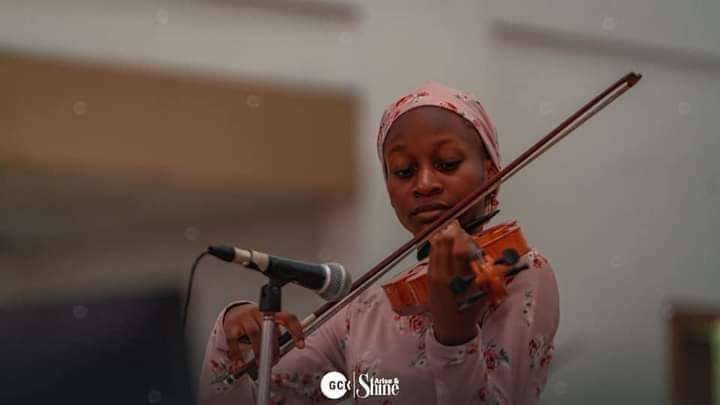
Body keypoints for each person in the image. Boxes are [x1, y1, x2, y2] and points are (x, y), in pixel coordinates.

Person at [199, 81, 560, 404]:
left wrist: (455, 337)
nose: (424, 184)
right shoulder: (366, 312)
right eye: (403, 171)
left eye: (447, 163)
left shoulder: (520, 274)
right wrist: (232, 338)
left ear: (491, 171)